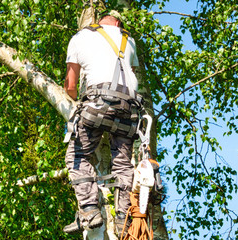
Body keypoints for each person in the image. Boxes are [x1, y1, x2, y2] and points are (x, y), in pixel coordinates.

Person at [62, 10, 142, 236]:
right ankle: (123, 220)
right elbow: (129, 76)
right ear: (117, 22)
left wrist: (76, 99)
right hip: (128, 111)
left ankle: (89, 210)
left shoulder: (80, 37)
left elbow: (70, 84)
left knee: (77, 156)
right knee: (123, 166)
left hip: (97, 106)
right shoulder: (130, 40)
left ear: (101, 21)